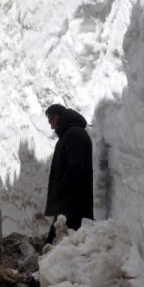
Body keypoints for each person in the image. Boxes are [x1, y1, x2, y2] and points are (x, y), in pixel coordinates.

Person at [43, 103, 94, 245]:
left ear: (56, 117)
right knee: (61, 242)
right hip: (69, 203)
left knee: (58, 243)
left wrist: (61, 187)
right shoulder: (70, 134)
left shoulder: (74, 135)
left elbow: (75, 167)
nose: (51, 127)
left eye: (51, 122)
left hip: (71, 204)